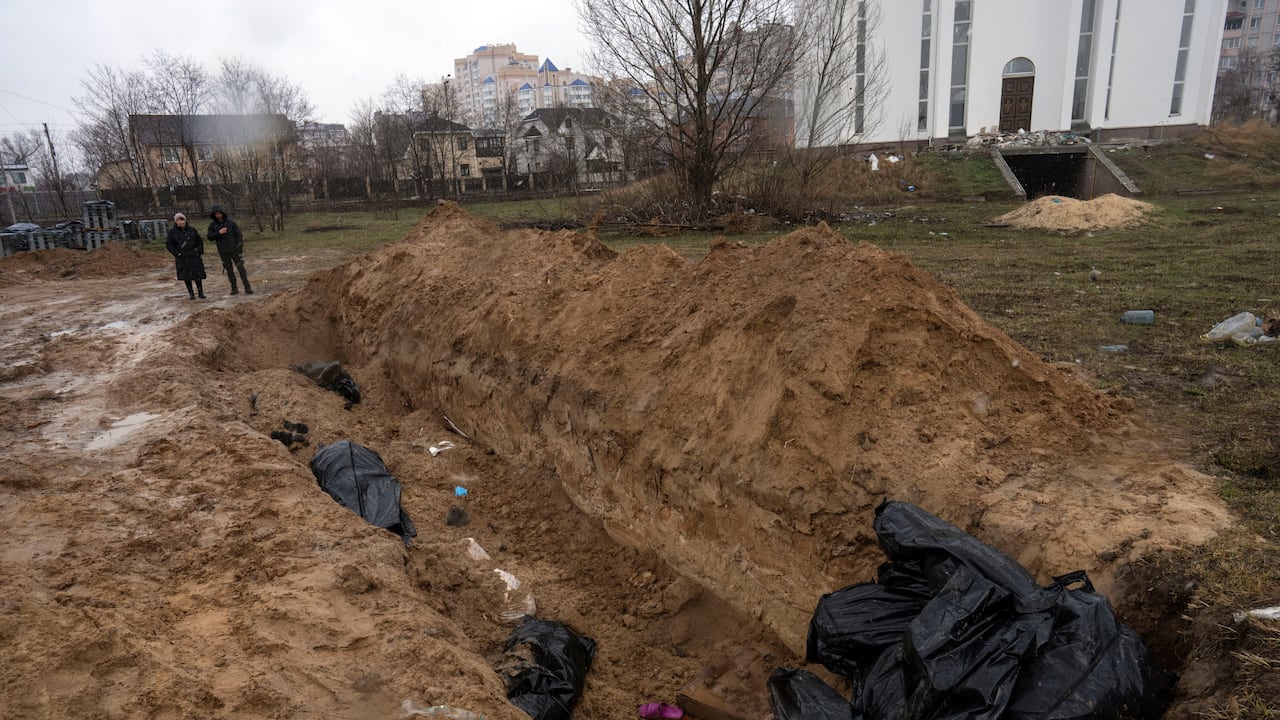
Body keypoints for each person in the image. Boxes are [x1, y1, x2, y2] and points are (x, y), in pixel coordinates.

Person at [207, 203, 253, 294]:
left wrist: (239, 247)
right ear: (214, 215)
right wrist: (218, 233)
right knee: (229, 270)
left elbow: (239, 235)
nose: (218, 215)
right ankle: (234, 288)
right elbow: (209, 237)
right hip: (223, 251)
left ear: (222, 213)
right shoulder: (213, 225)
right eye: (216, 214)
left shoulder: (231, 223)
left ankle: (247, 287)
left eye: (219, 213)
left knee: (241, 269)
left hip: (235, 250)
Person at [165, 212, 206, 299]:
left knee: (197, 275)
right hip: (182, 257)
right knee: (186, 276)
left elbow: (199, 241)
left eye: (182, 219)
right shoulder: (172, 232)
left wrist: (199, 252)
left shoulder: (192, 230)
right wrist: (177, 254)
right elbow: (169, 245)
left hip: (194, 256)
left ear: (185, 220)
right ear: (175, 221)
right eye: (178, 220)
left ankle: (200, 292)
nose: (180, 222)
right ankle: (191, 294)